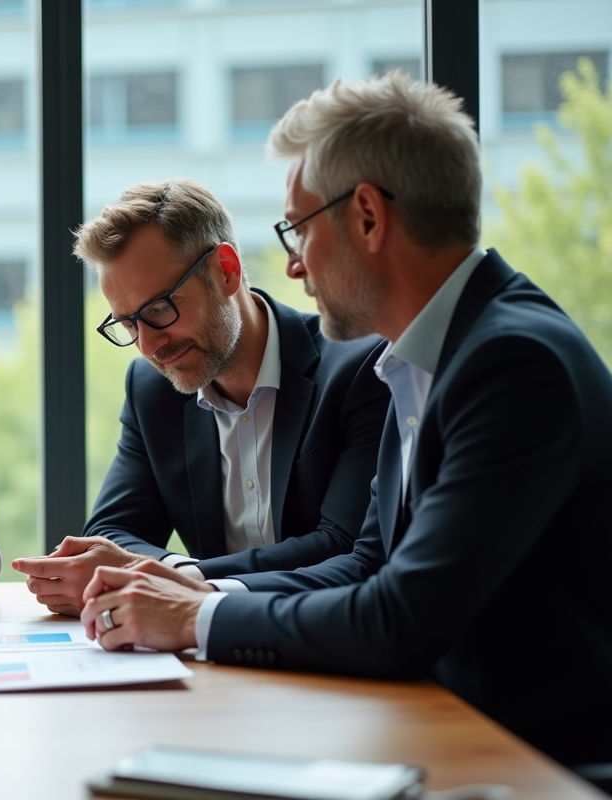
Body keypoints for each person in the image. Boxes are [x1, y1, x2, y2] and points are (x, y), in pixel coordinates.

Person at [79, 72, 612, 767]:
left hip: (533, 762)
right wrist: (198, 589)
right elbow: (367, 563)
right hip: (445, 732)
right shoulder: (422, 358)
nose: (293, 268)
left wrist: (196, 615)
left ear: (367, 216)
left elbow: (400, 616)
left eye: (299, 230)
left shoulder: (510, 362)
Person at [11, 180, 389, 616]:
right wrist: (169, 573)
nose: (148, 346)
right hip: (204, 647)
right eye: (128, 324)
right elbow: (113, 532)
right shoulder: (151, 390)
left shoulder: (358, 369)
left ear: (226, 271)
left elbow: (345, 546)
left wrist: (179, 580)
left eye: (159, 310)